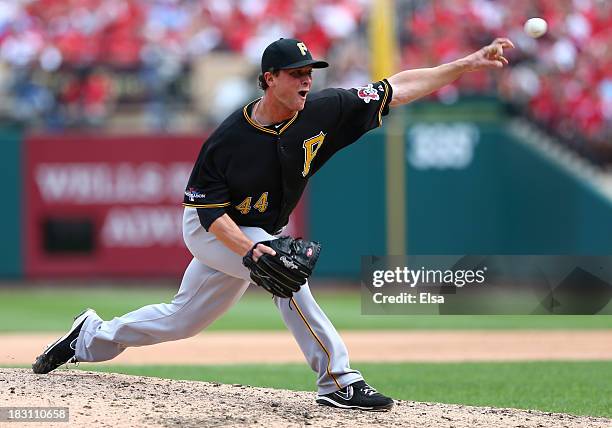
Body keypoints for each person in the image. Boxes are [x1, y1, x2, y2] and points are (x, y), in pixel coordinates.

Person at [33, 36, 514, 411]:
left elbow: (399, 87)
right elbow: (211, 214)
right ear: (269, 79)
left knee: (184, 320)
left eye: (309, 72)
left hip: (257, 232)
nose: (306, 80)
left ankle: (89, 336)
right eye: (295, 74)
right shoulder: (229, 140)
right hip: (213, 229)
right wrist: (251, 251)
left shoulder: (327, 109)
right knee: (286, 275)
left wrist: (464, 65)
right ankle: (339, 381)